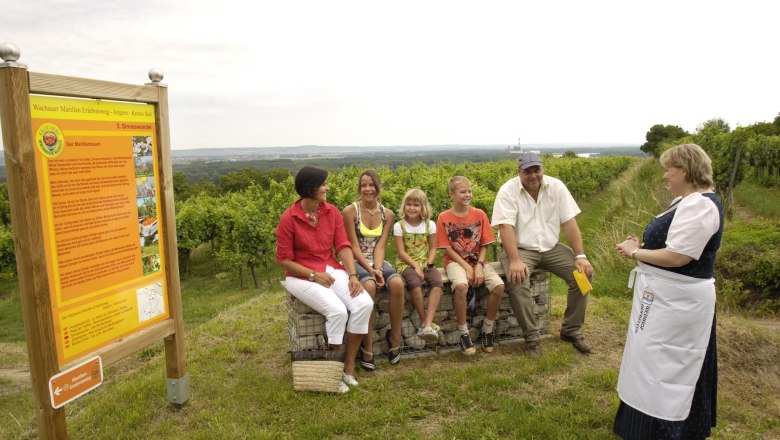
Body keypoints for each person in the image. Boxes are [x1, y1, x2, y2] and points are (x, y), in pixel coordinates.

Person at [613, 143, 723, 439]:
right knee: (653, 359)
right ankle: (644, 427)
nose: (665, 177)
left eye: (668, 170)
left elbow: (678, 257)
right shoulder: (686, 202)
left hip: (680, 304)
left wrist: (637, 253)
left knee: (669, 363)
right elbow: (672, 248)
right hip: (667, 299)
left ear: (684, 171)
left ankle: (666, 430)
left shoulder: (700, 206)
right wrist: (643, 247)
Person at [276, 166, 373, 393]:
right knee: (338, 311)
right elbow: (283, 260)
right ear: (309, 188)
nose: (327, 188)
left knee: (364, 303)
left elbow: (342, 245)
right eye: (323, 184)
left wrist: (352, 274)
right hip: (300, 275)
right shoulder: (289, 218)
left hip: (330, 268)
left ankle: (348, 367)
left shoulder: (331, 212)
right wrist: (313, 275)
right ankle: (331, 371)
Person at [491, 152, 594, 357]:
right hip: (520, 248)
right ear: (519, 172)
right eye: (527, 171)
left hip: (550, 247)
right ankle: (532, 339)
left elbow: (569, 223)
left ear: (542, 169)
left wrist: (580, 255)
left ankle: (571, 330)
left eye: (536, 170)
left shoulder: (556, 187)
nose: (533, 175)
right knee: (518, 280)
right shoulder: (508, 190)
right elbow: (505, 227)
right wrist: (514, 260)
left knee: (583, 275)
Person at [342, 170, 406, 367]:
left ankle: (395, 337)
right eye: (363, 185)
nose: (367, 189)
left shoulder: (388, 214)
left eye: (371, 185)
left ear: (378, 187)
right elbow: (352, 246)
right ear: (359, 188)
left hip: (375, 260)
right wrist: (370, 272)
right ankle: (366, 343)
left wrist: (377, 268)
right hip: (355, 261)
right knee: (369, 286)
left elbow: (380, 246)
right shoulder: (350, 211)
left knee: (397, 283)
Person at [437, 176, 505, 356]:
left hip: (479, 260)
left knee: (498, 287)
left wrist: (480, 265)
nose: (468, 195)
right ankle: (463, 332)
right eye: (462, 192)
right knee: (460, 286)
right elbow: (447, 249)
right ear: (452, 194)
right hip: (454, 261)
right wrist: (467, 268)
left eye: (469, 191)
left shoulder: (480, 214)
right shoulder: (444, 217)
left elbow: (484, 245)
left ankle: (487, 329)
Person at [393, 188, 443, 343]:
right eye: (409, 204)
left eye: (416, 205)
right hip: (406, 263)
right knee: (414, 283)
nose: (412, 208)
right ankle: (424, 321)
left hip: (424, 262)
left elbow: (433, 248)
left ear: (423, 208)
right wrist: (415, 266)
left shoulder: (430, 225)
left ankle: (427, 323)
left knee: (437, 282)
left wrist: (429, 263)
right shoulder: (399, 226)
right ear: (404, 206)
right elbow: (401, 252)